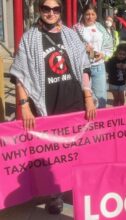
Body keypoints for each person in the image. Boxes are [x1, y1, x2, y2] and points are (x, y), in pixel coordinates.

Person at [9, 0, 96, 214]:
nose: (50, 13)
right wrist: (24, 106)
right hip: (46, 102)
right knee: (52, 152)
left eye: (55, 9)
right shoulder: (29, 38)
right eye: (46, 9)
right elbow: (19, 75)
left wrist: (88, 96)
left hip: (73, 99)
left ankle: (79, 189)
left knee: (76, 148)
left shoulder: (70, 34)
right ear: (40, 10)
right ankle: (54, 193)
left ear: (60, 11)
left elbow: (84, 67)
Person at [73, 3, 113, 108]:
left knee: (101, 99)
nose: (90, 17)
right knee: (85, 99)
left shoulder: (101, 28)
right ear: (83, 15)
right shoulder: (76, 29)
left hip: (99, 67)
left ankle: (100, 122)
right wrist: (83, 48)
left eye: (92, 14)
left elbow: (109, 45)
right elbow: (71, 48)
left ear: (96, 15)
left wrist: (103, 54)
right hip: (83, 69)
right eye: (87, 14)